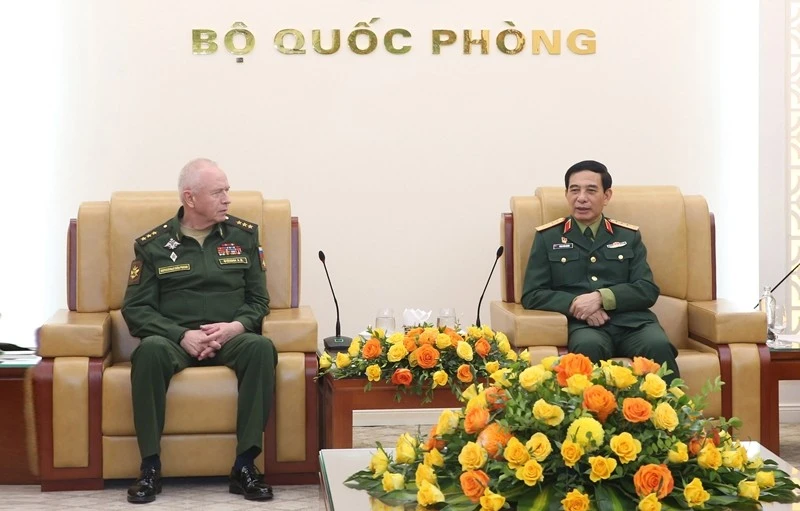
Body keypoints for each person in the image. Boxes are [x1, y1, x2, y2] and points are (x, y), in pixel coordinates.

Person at [121, 158, 277, 504]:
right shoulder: (154, 245)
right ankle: (149, 467)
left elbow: (258, 299)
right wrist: (181, 335)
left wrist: (234, 327)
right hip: (176, 341)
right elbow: (136, 309)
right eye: (218, 192)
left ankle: (245, 465)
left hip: (230, 338)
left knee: (261, 348)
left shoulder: (244, 236)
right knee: (148, 352)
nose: (227, 199)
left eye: (227, 191)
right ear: (190, 199)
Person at [521, 160, 679, 381]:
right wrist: (577, 305)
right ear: (566, 194)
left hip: (633, 323)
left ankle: (672, 412)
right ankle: (589, 416)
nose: (581, 198)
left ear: (606, 196)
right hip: (584, 326)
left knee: (658, 346)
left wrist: (601, 298)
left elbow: (647, 289)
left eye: (591, 190)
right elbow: (532, 294)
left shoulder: (627, 235)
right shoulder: (548, 237)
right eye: (574, 190)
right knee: (587, 349)